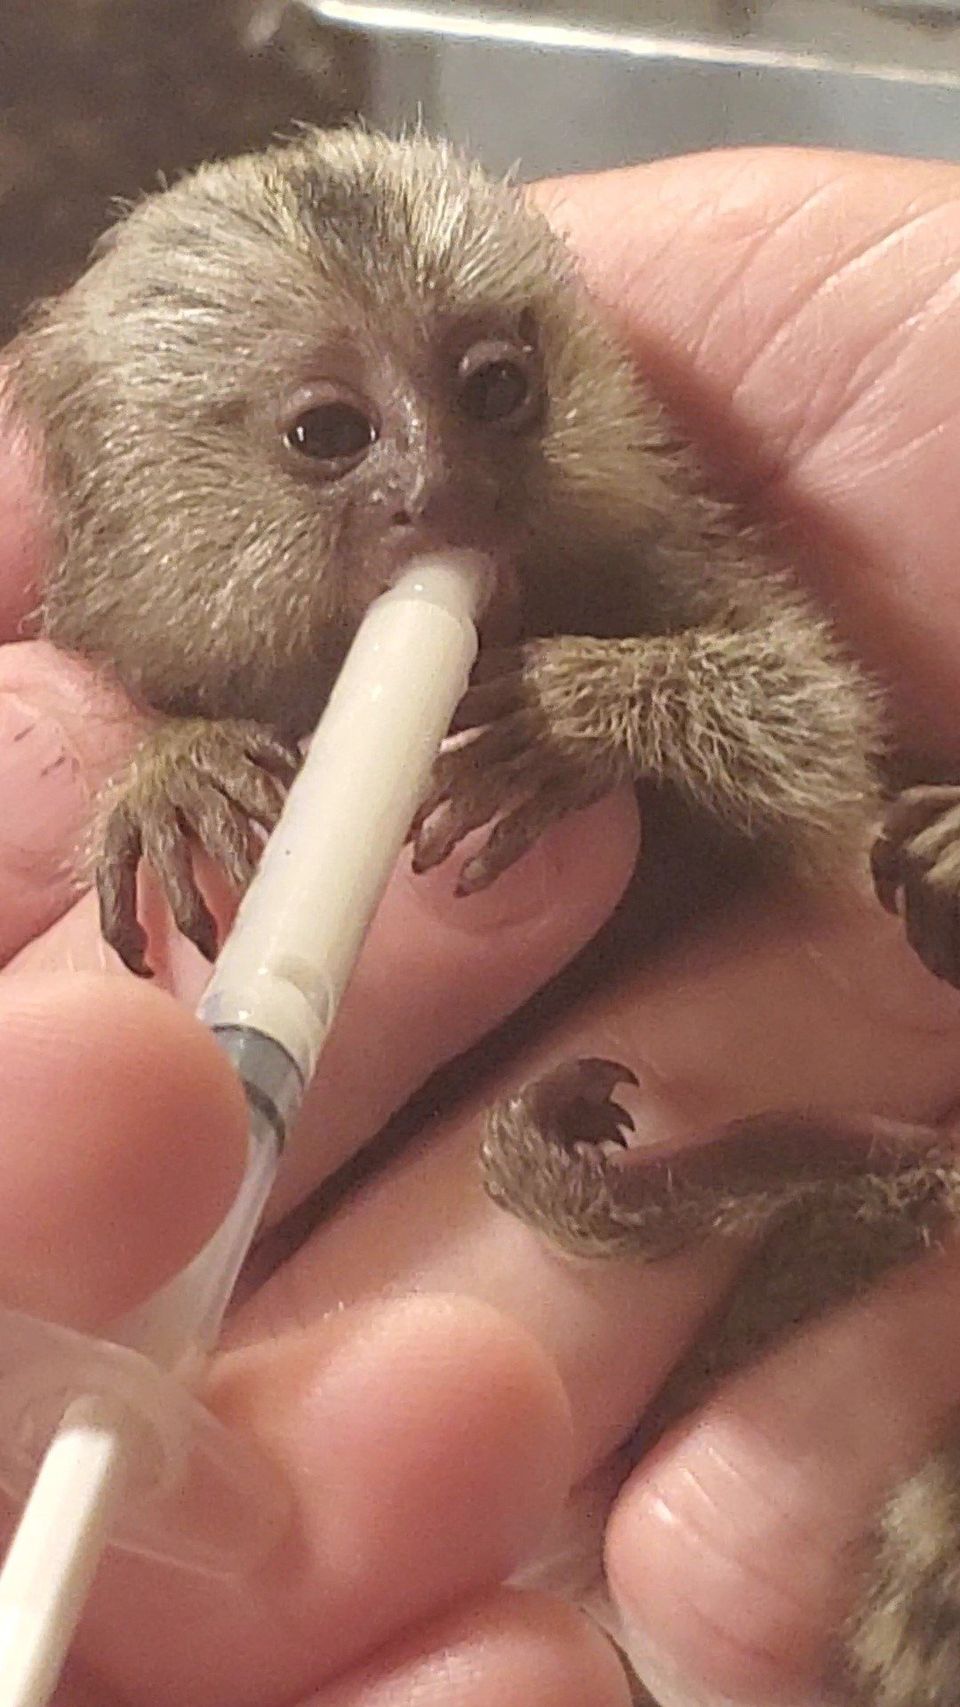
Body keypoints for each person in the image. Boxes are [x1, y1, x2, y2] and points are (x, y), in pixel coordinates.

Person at [2, 144, 960, 1707]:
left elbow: (819, 759)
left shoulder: (642, 574)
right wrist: (165, 774)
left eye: (495, 390)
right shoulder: (161, 717)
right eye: (330, 436)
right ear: (132, 492)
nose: (439, 480)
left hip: (816, 1199)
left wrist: (635, 699)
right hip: (476, 1428)